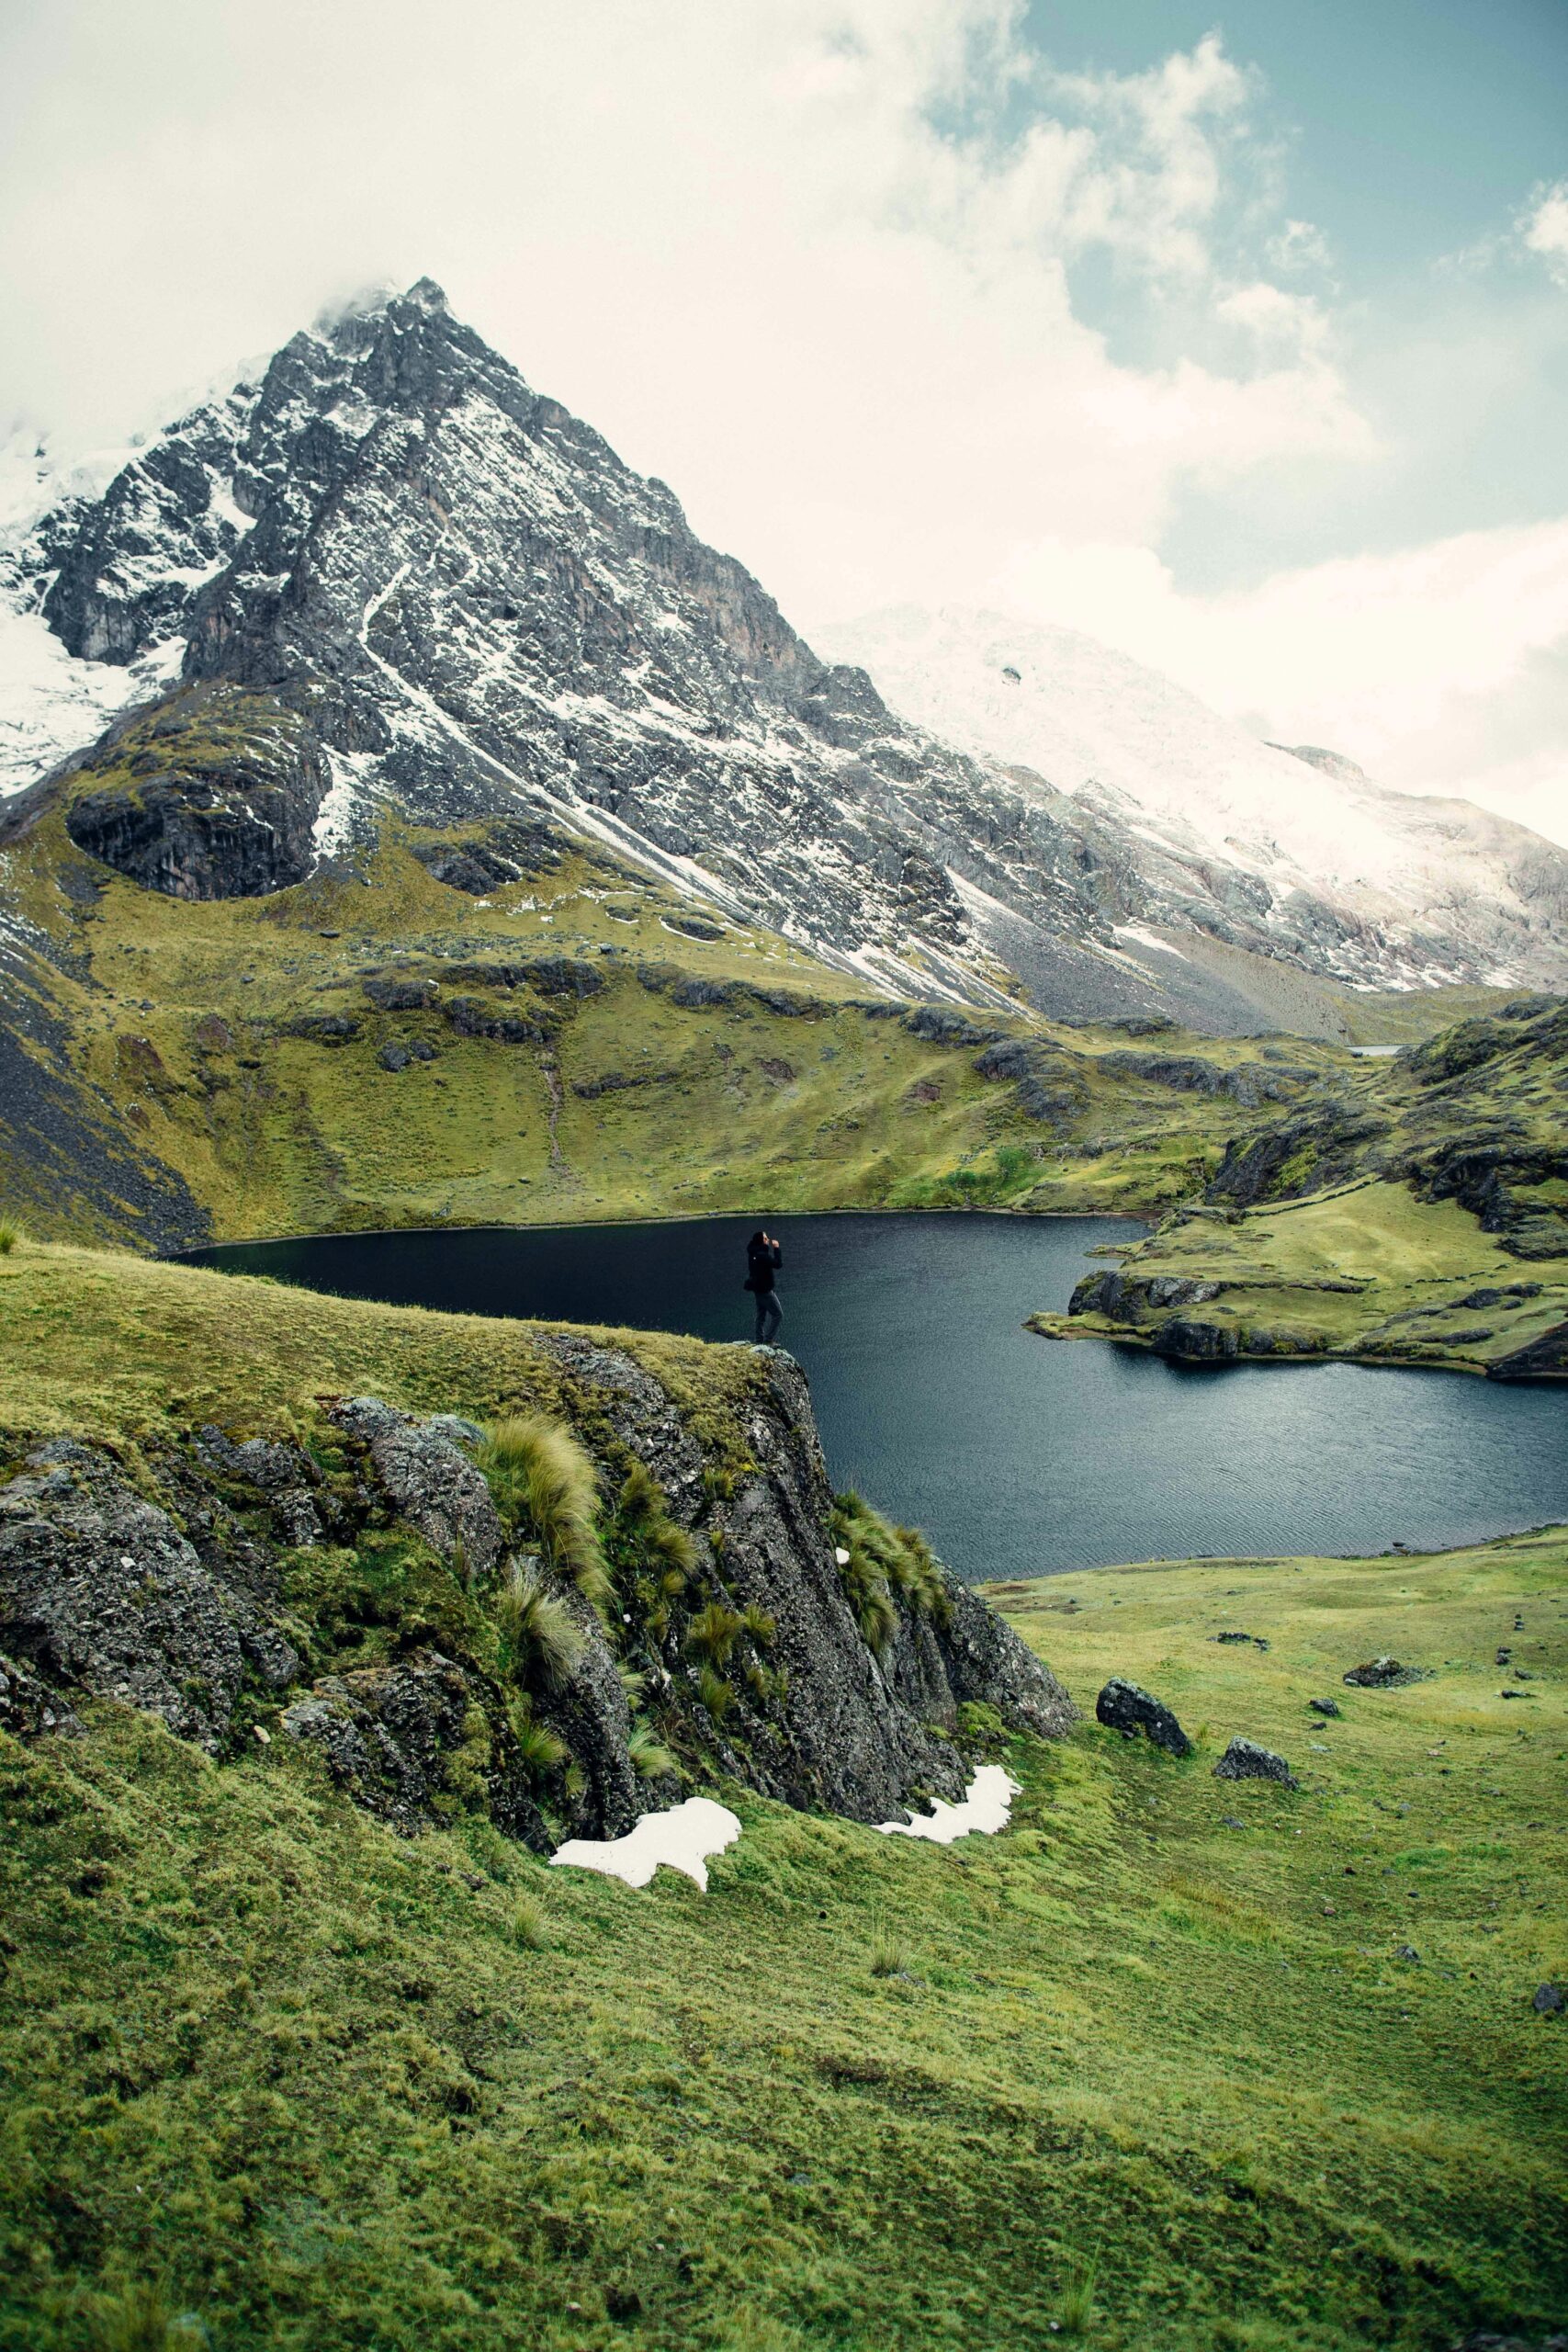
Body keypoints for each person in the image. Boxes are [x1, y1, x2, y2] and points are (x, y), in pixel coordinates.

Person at [744, 1227, 783, 1344]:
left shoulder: (753, 1253)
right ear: (761, 1241)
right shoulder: (762, 1255)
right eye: (765, 1238)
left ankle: (759, 1340)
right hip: (765, 1290)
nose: (768, 1239)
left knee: (761, 1315)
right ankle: (768, 1340)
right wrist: (776, 1248)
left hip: (757, 1289)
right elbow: (778, 1264)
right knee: (778, 1314)